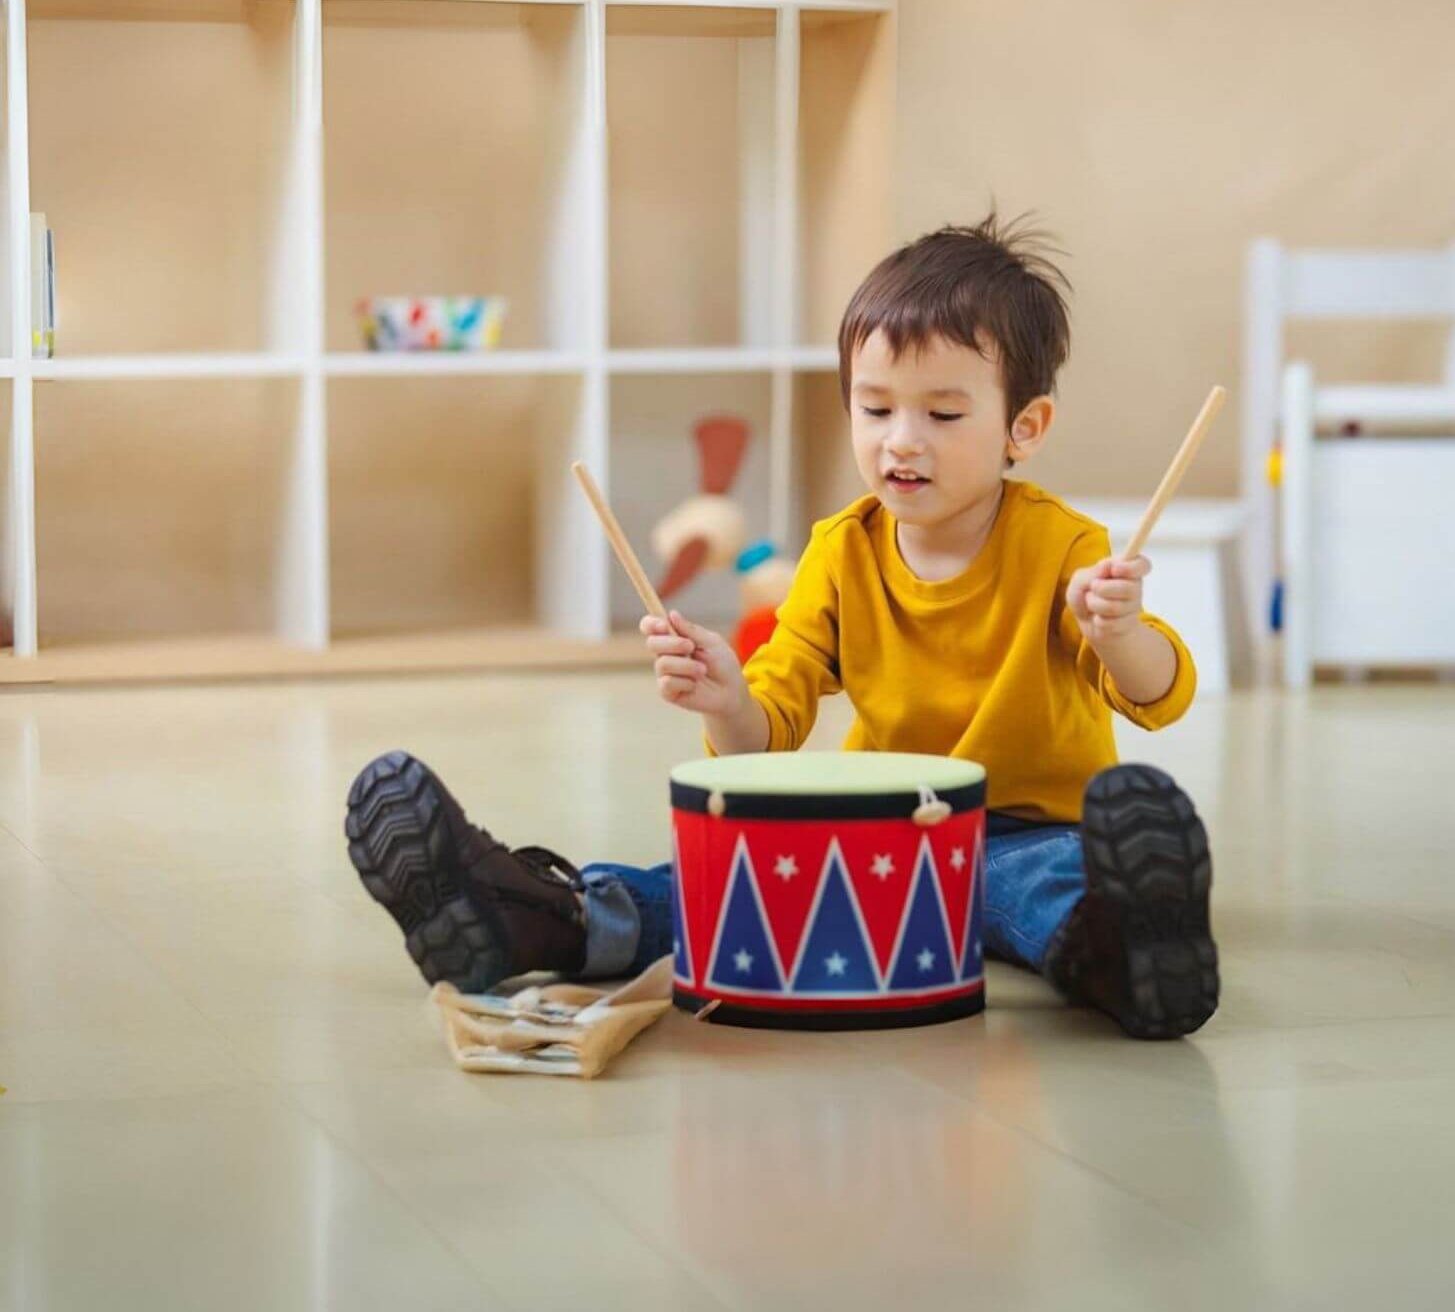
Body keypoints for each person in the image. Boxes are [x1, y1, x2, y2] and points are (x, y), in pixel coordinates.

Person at [346, 213, 1219, 1040]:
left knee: (1030, 883)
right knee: (733, 880)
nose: (900, 442)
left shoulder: (1065, 545)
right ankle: (535, 919)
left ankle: (1128, 948)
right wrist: (729, 696)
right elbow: (770, 733)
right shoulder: (839, 553)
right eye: (875, 410)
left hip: (1029, 829)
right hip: (888, 830)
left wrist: (1118, 632)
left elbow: (1158, 695)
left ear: (1022, 428)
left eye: (942, 415)